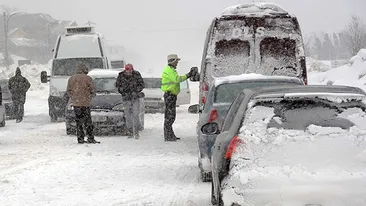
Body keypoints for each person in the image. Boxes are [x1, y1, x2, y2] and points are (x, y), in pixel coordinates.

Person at [161, 54, 195, 141]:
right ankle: (168, 136)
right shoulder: (169, 70)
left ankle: (170, 135)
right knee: (170, 116)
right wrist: (188, 75)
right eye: (176, 61)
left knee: (171, 115)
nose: (177, 63)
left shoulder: (171, 70)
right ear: (172, 61)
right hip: (170, 95)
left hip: (171, 95)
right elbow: (177, 79)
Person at [67, 63, 100, 144]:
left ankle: (80, 138)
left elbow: (68, 90)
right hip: (86, 103)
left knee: (79, 122)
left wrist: (74, 97)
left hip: (76, 104)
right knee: (88, 121)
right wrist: (90, 96)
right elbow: (93, 89)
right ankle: (90, 137)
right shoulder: (88, 78)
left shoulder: (72, 78)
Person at [116, 63, 145, 139]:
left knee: (136, 115)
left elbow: (142, 85)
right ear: (125, 70)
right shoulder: (121, 76)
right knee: (128, 115)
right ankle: (130, 131)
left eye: (131, 71)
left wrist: (136, 91)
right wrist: (123, 91)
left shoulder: (137, 75)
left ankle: (136, 132)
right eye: (128, 71)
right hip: (126, 98)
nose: (129, 72)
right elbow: (117, 86)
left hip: (135, 98)